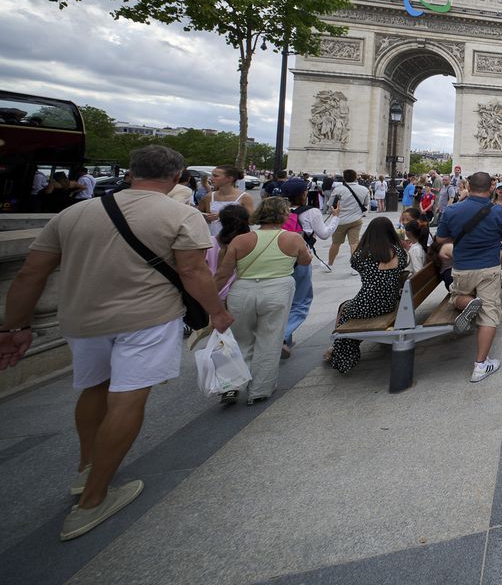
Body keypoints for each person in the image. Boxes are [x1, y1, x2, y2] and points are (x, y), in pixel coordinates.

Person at [1, 145, 232, 541]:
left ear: (129, 172)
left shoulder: (74, 213)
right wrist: (218, 312)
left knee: (93, 389)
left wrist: (14, 327)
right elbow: (193, 271)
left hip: (81, 318)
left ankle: (86, 467)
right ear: (177, 177)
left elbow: (29, 275)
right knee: (128, 397)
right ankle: (93, 500)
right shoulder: (181, 214)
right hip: (146, 318)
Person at [211, 196, 309, 404]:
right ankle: (260, 389)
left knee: (239, 340)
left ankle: (230, 385)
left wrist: (211, 303)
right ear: (283, 214)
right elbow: (304, 260)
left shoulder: (240, 240)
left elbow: (222, 274)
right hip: (276, 290)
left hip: (243, 291)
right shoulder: (293, 238)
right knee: (270, 340)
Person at [435, 172, 502, 382]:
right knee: (489, 314)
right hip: (489, 268)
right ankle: (480, 365)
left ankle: (471, 302)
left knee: (456, 297)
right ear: (490, 187)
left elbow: (441, 238)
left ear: (468, 187)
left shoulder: (452, 210)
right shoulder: (498, 211)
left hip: (462, 268)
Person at [329, 218, 408, 374]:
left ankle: (340, 354)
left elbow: (354, 264)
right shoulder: (399, 251)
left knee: (344, 309)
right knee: (346, 306)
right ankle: (337, 350)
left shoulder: (362, 254)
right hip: (388, 303)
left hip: (367, 303)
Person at [279, 177, 340, 356]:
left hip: (277, 257)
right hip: (300, 258)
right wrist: (335, 217)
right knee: (301, 302)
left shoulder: (277, 209)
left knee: (284, 300)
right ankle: (280, 337)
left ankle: (286, 339)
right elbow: (324, 234)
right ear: (304, 193)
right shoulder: (311, 212)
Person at [327, 169, 370, 267]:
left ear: (344, 178)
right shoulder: (364, 189)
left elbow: (330, 204)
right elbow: (366, 203)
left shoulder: (338, 189)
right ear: (355, 177)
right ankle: (355, 266)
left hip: (340, 220)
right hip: (356, 219)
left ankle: (329, 264)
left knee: (336, 243)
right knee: (354, 243)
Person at [198, 165, 254, 238]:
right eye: (211, 175)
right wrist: (206, 217)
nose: (211, 178)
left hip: (237, 239)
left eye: (215, 176)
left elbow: (252, 220)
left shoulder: (245, 197)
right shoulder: (209, 196)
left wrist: (224, 216)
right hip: (215, 239)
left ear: (229, 179)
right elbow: (198, 215)